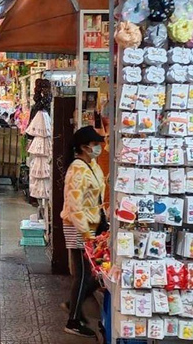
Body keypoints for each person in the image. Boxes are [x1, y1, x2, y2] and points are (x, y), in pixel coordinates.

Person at [60, 126, 107, 337]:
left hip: (93, 226)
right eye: (95, 144)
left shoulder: (93, 166)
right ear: (84, 147)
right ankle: (73, 320)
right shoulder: (77, 169)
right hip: (77, 226)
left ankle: (73, 303)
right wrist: (86, 233)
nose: (98, 148)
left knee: (92, 273)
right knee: (84, 273)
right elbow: (74, 205)